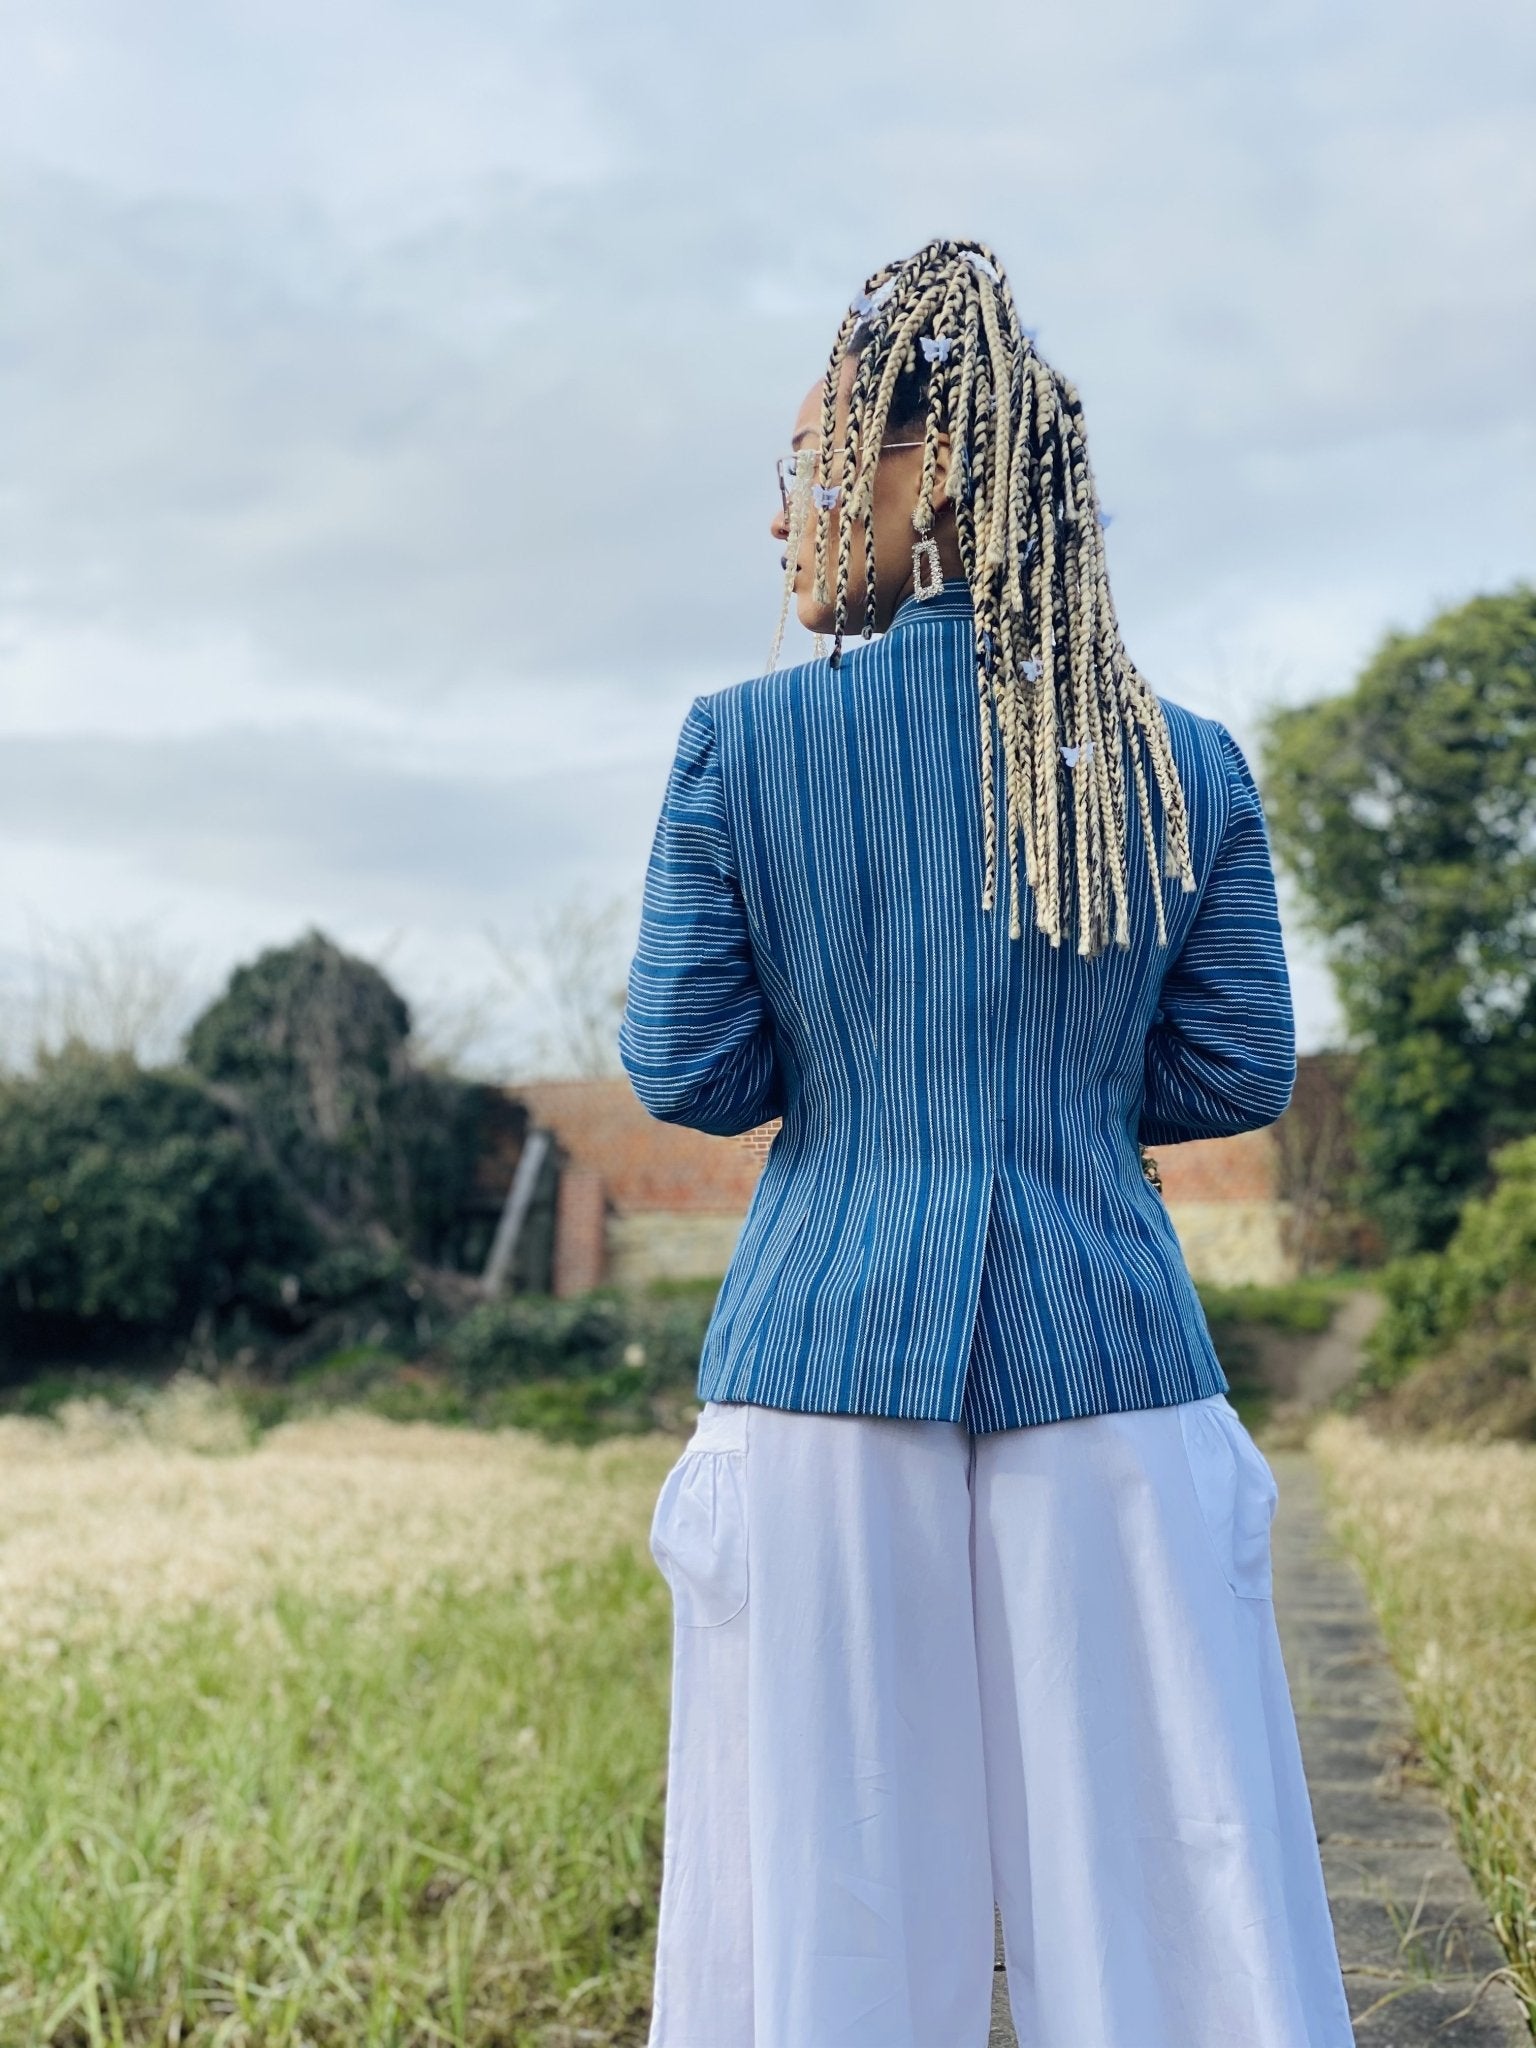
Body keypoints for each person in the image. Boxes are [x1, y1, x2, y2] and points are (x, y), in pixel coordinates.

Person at [618, 235, 1355, 2048]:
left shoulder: (739, 746)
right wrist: (1064, 1090)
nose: (779, 515)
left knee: (825, 1933)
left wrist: (860, 1059)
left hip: (820, 1370)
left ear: (932, 469)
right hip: (1111, 1367)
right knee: (1182, 1922)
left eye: (807, 464)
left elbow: (690, 1070)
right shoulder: (1186, 763)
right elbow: (1238, 1068)